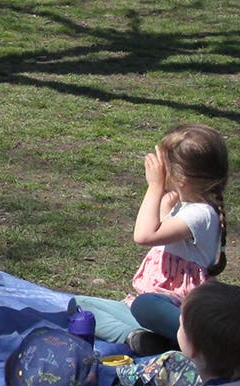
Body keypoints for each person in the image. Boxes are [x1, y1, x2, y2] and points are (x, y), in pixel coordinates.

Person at [71, 123, 230, 355]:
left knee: (145, 306)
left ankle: (201, 338)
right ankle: (140, 338)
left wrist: (154, 187)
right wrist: (166, 206)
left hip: (175, 304)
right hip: (150, 303)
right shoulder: (186, 206)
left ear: (181, 178)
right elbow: (169, 237)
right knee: (80, 305)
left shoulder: (202, 213)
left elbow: (145, 235)